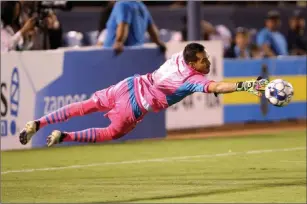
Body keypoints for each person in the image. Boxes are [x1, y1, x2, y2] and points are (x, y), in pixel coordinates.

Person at [19, 43, 268, 147]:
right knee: (111, 133)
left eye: (208, 59)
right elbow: (217, 87)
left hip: (129, 84)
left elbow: (208, 83)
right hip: (137, 104)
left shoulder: (177, 58)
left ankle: (39, 122)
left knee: (86, 106)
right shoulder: (192, 78)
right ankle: (65, 136)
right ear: (192, 63)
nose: (207, 63)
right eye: (203, 61)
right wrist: (250, 86)